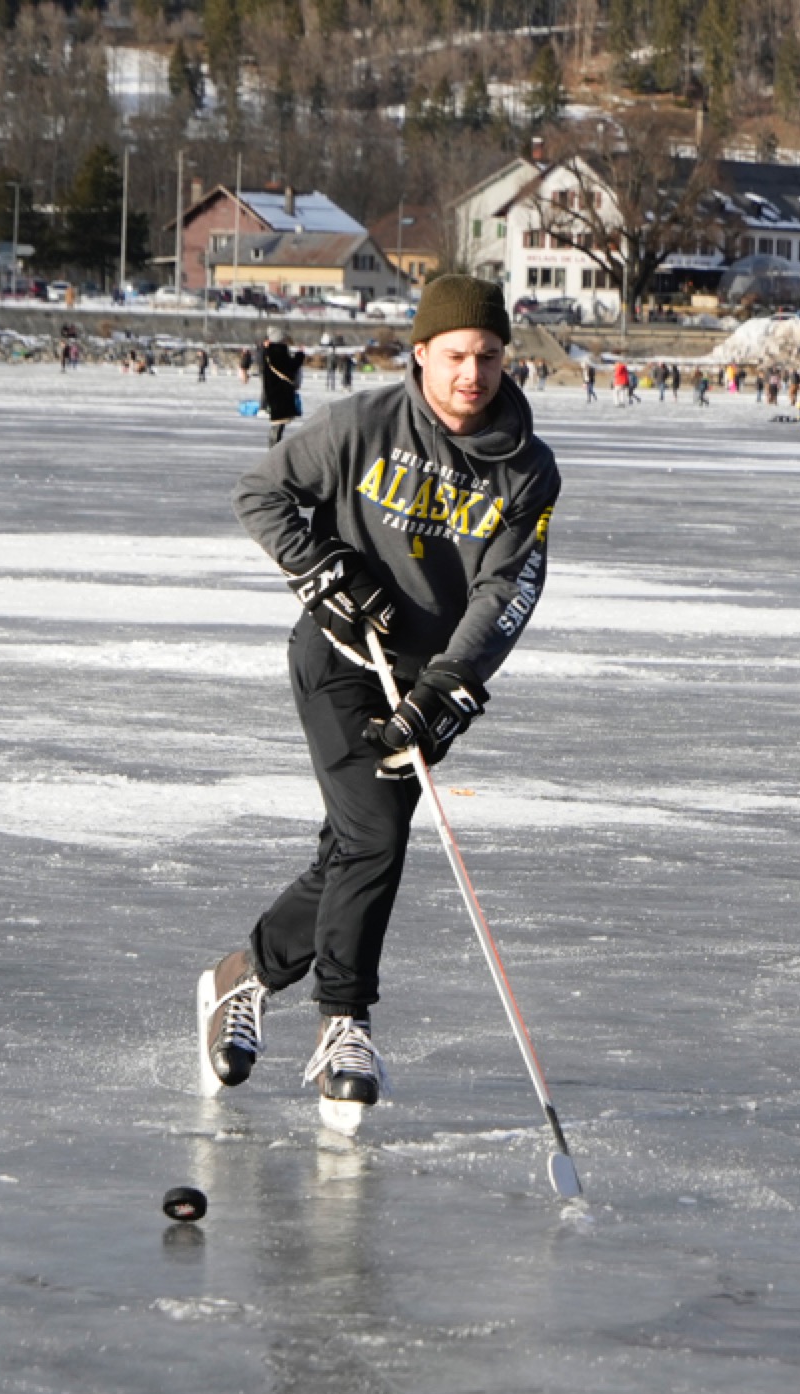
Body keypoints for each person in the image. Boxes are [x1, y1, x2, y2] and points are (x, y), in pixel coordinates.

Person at [199, 275, 560, 1121]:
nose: (474, 373)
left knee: (352, 850)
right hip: (338, 655)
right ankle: (342, 1021)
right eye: (458, 355)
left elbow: (507, 591)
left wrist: (451, 687)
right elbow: (262, 494)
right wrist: (323, 573)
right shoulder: (361, 426)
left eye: (491, 356)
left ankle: (241, 975)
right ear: (422, 354)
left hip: (426, 678)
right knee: (375, 834)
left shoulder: (528, 471)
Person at [260, 328, 303, 446]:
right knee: (278, 422)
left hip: (276, 391)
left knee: (278, 422)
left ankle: (274, 446)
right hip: (280, 392)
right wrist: (299, 357)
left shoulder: (270, 351)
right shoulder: (277, 352)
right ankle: (274, 447)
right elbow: (289, 368)